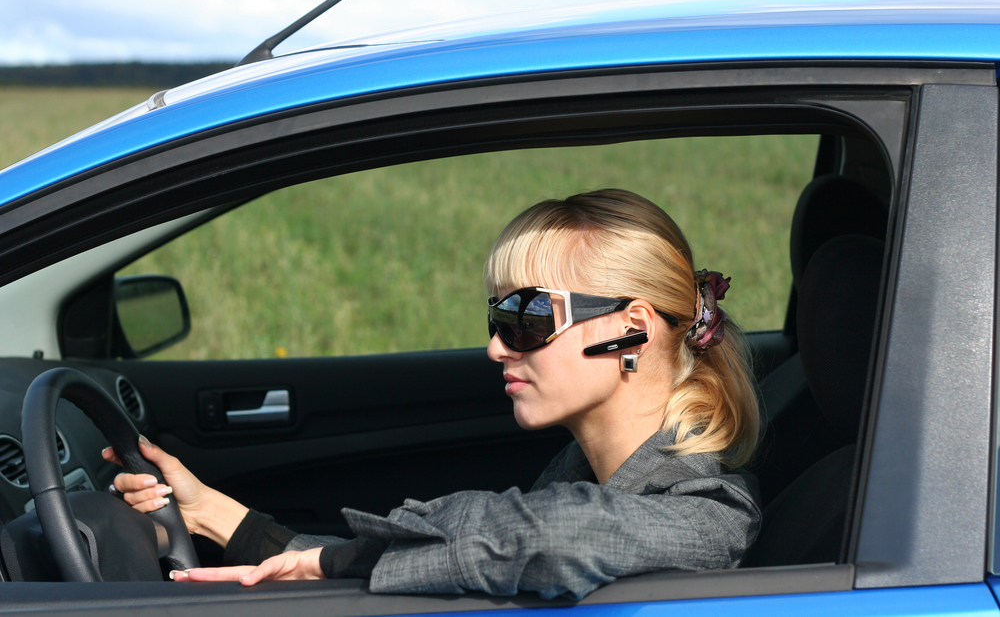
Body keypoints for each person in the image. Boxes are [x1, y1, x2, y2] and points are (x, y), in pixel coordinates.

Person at [105, 188, 761, 599]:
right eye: (495, 318)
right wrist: (210, 514)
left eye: (525, 318)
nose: (496, 346)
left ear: (632, 328)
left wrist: (327, 561)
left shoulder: (708, 510)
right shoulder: (586, 470)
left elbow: (552, 536)